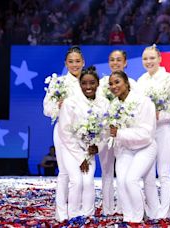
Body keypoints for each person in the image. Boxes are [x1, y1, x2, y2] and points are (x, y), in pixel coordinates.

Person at [137, 45, 170, 219]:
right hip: (146, 132)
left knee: (164, 172)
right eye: (145, 58)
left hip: (164, 130)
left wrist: (163, 114)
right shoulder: (141, 81)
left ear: (160, 58)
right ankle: (153, 211)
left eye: (152, 58)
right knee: (148, 174)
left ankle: (164, 212)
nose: (149, 61)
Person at [57, 66, 110, 220]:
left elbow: (106, 130)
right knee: (76, 181)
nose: (88, 87)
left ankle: (87, 215)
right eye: (84, 83)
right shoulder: (70, 103)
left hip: (89, 150)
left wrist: (97, 146)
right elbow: (65, 133)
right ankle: (73, 216)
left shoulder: (104, 103)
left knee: (88, 182)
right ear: (80, 84)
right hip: (70, 148)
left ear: (98, 84)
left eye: (92, 83)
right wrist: (80, 158)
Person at [108, 70, 160, 223]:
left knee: (131, 179)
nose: (114, 86)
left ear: (127, 83)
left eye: (117, 82)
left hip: (146, 147)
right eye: (111, 84)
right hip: (125, 148)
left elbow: (146, 134)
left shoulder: (144, 101)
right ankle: (128, 217)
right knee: (122, 181)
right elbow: (112, 134)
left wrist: (120, 133)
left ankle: (137, 218)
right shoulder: (113, 106)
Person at [43, 45, 85, 222]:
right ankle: (61, 214)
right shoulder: (58, 83)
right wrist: (57, 107)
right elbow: (46, 109)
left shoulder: (89, 81)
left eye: (77, 61)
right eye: (71, 62)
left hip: (84, 134)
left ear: (83, 62)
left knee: (82, 175)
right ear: (65, 63)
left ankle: (78, 210)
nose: (74, 65)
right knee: (64, 173)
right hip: (62, 132)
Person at [97, 49, 137, 216]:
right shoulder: (101, 84)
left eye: (119, 59)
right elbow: (97, 108)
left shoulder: (133, 83)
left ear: (125, 62)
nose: (115, 62)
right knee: (106, 171)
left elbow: (135, 108)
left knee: (123, 172)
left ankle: (123, 207)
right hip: (105, 133)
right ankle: (107, 208)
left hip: (124, 134)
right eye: (112, 59)